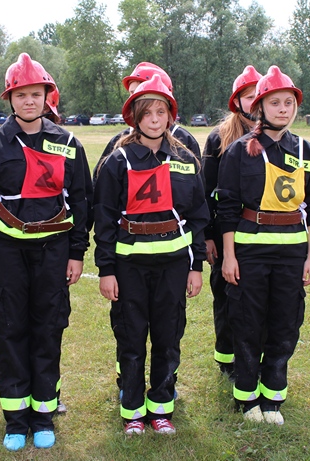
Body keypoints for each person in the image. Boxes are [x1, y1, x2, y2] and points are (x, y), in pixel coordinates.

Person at [0, 53, 91, 451]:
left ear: (46, 96)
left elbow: (81, 201)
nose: (29, 101)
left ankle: (44, 415)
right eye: (21, 95)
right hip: (7, 253)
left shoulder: (68, 143)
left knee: (48, 330)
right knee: (10, 331)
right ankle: (16, 420)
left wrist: (76, 252)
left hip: (54, 252)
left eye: (36, 94)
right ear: (10, 98)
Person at [94, 75, 208, 436]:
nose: (155, 119)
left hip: (173, 265)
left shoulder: (186, 159)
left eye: (161, 111)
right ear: (134, 117)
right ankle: (132, 411)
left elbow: (198, 217)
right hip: (129, 265)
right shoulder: (117, 162)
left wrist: (196, 266)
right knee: (131, 339)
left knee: (167, 337)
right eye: (147, 112)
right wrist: (106, 270)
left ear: (170, 114)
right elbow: (104, 219)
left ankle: (161, 408)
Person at [217, 66, 310, 425]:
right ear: (259, 107)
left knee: (285, 323)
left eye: (288, 102)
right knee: (248, 323)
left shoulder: (306, 151)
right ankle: (246, 396)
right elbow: (227, 208)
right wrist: (229, 257)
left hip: (292, 252)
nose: (283, 109)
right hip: (250, 250)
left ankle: (273, 395)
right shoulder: (239, 151)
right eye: (275, 102)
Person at [201, 65, 261, 379]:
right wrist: (208, 235)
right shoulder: (218, 138)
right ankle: (227, 359)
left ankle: (253, 357)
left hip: (260, 235)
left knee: (257, 300)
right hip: (226, 232)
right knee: (226, 297)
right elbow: (205, 191)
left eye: (258, 95)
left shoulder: (274, 137)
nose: (254, 102)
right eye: (248, 96)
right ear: (237, 101)